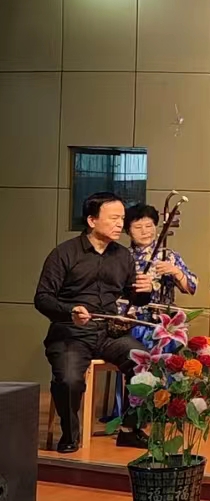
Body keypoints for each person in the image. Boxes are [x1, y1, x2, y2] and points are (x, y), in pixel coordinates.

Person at [36, 192, 150, 453]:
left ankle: (130, 429)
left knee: (144, 362)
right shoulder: (64, 253)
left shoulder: (123, 256)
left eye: (122, 218)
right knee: (68, 379)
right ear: (92, 220)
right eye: (113, 218)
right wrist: (70, 311)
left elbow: (135, 297)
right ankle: (70, 433)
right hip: (71, 332)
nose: (120, 224)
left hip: (108, 333)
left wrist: (145, 291)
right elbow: (42, 298)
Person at [123, 204, 198, 352]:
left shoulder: (168, 255)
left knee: (164, 359)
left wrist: (175, 271)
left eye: (149, 226)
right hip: (133, 321)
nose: (145, 231)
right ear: (128, 231)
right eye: (138, 227)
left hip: (163, 321)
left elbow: (191, 288)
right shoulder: (123, 257)